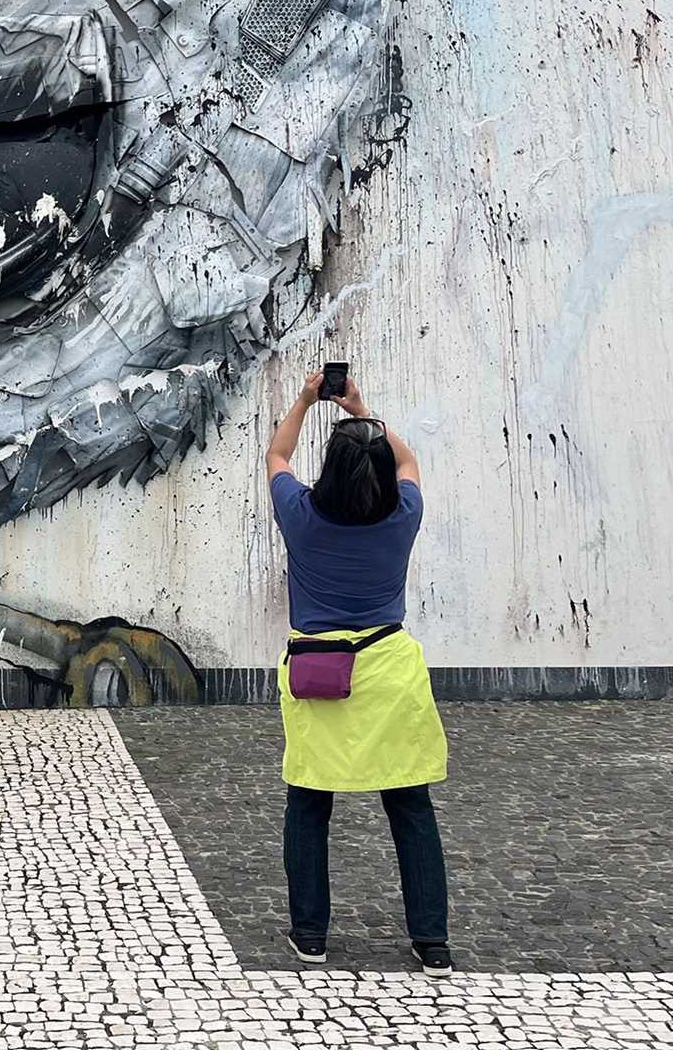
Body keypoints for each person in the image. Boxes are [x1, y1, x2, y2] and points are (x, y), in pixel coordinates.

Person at [265, 371, 454, 977]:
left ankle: (312, 936)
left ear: (329, 471)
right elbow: (410, 461)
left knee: (310, 802)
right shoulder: (403, 516)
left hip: (321, 674)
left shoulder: (302, 517)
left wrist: (303, 399)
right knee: (409, 806)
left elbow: (277, 453)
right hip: (390, 673)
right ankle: (432, 944)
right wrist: (364, 411)